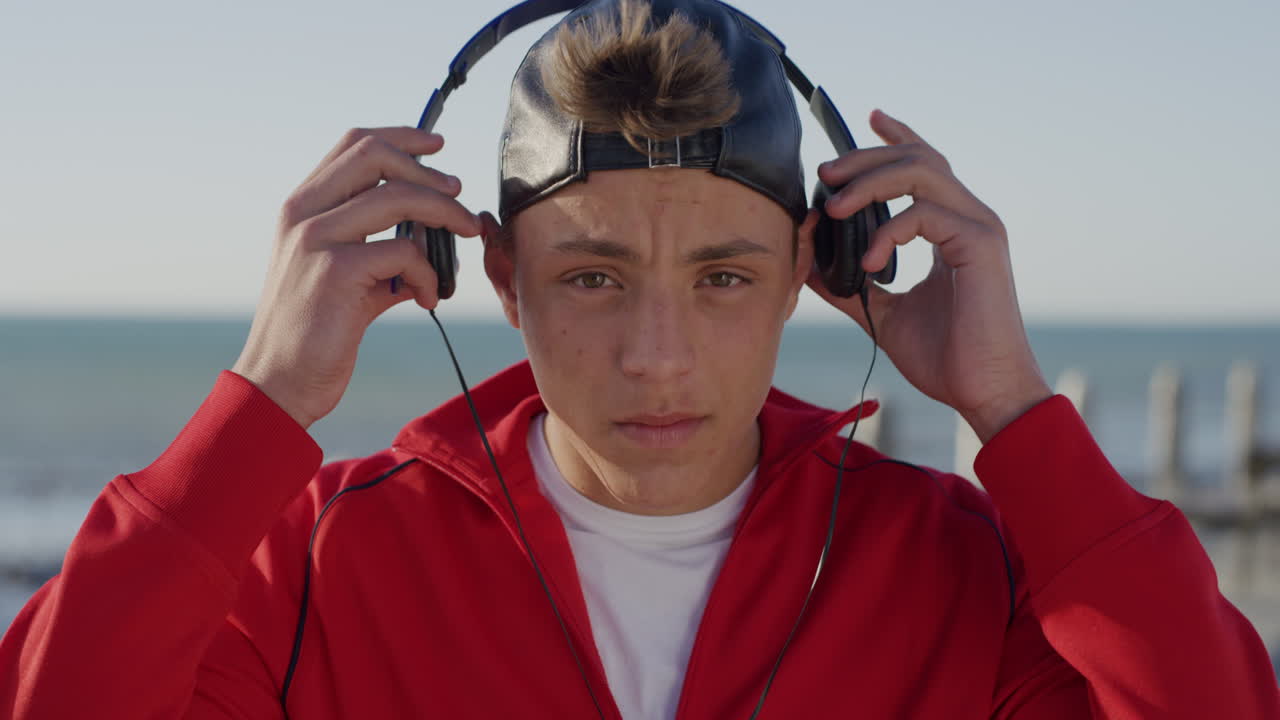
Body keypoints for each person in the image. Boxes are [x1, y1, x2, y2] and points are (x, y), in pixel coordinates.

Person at [2, 0, 1277, 717]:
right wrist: (265, 403)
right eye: (592, 278)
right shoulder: (324, 565)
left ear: (812, 275)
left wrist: (1009, 411)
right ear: (493, 279)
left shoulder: (959, 570)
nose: (656, 360)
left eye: (722, 278)